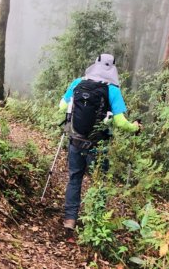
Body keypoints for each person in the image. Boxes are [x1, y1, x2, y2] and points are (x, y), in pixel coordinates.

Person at [58, 53, 139, 235]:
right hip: (98, 144)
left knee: (74, 179)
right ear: (113, 68)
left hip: (76, 140)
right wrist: (134, 127)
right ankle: (95, 220)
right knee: (99, 181)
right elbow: (119, 122)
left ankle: (70, 219)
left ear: (94, 64)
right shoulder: (113, 90)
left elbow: (62, 106)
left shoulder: (78, 82)